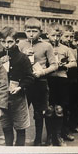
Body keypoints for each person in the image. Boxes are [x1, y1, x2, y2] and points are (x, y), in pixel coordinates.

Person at [18, 18, 58, 146]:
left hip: (39, 82)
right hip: (25, 83)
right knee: (22, 112)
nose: (31, 34)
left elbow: (54, 65)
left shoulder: (47, 46)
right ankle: (20, 141)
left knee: (39, 113)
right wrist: (23, 55)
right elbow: (14, 63)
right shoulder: (20, 45)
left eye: (34, 31)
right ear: (24, 31)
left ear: (40, 32)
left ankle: (37, 140)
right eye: (28, 31)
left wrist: (42, 72)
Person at [0, 27, 35, 146]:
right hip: (3, 98)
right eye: (3, 42)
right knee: (7, 128)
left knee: (20, 128)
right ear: (0, 41)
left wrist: (20, 87)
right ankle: (9, 151)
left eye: (10, 42)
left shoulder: (23, 58)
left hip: (18, 98)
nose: (6, 45)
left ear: (16, 41)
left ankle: (19, 152)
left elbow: (30, 77)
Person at [45, 23, 77, 146]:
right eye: (53, 35)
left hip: (62, 80)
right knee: (48, 109)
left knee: (60, 109)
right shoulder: (45, 47)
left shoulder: (65, 49)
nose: (56, 38)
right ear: (47, 35)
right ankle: (49, 137)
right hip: (48, 80)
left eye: (58, 36)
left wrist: (65, 65)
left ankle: (58, 136)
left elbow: (74, 63)